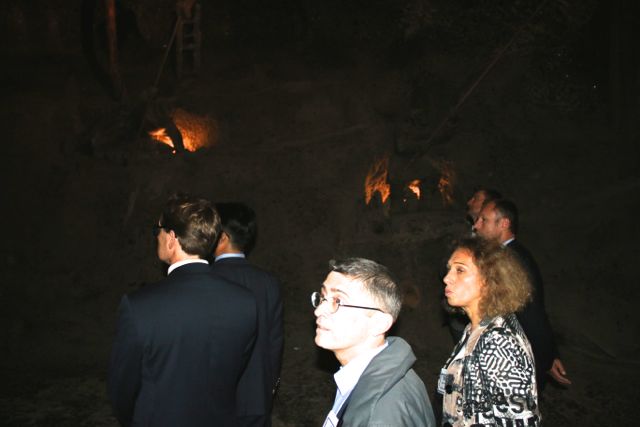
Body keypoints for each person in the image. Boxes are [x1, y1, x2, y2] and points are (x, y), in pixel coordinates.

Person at [108, 194, 257, 427]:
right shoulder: (245, 302)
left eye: (157, 230)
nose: (156, 236)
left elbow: (122, 388)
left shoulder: (139, 306)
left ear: (171, 238)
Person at [313, 258, 436, 427]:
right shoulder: (375, 376)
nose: (319, 310)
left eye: (338, 301)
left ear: (379, 323)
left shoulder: (381, 414)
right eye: (322, 297)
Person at [439, 237, 541, 426]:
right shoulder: (476, 328)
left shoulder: (499, 342)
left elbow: (518, 421)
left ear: (489, 279)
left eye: (460, 270)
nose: (447, 278)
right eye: (449, 269)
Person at [474, 198, 571, 389]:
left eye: (484, 220)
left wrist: (546, 357)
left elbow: (531, 311)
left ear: (504, 224)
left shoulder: (512, 260)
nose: (476, 225)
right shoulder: (505, 254)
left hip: (516, 359)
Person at [211, 202, 284, 427]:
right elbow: (275, 342)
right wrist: (269, 386)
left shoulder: (205, 280)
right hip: (256, 397)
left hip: (212, 399)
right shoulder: (268, 282)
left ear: (222, 237)